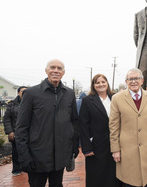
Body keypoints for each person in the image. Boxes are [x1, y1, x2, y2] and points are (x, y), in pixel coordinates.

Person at [15, 59, 79, 187]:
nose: (56, 70)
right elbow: (22, 127)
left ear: (63, 72)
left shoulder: (69, 94)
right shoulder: (31, 93)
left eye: (59, 68)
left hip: (60, 156)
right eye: (52, 67)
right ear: (46, 70)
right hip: (37, 157)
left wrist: (73, 146)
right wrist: (24, 156)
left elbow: (74, 122)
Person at [109, 68, 147, 187]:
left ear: (142, 80)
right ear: (126, 81)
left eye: (136, 78)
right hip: (127, 150)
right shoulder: (117, 98)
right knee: (130, 181)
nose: (133, 81)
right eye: (130, 79)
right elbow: (113, 126)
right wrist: (115, 149)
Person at [79, 74, 122, 187]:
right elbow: (83, 125)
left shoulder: (116, 98)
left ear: (107, 83)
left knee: (114, 175)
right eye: (97, 82)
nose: (101, 84)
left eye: (103, 81)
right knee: (97, 176)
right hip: (96, 145)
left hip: (115, 144)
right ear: (93, 85)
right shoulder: (87, 100)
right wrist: (86, 147)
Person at [3, 86, 27, 176]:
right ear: (18, 93)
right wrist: (10, 132)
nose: (25, 93)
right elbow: (7, 119)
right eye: (23, 91)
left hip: (29, 132)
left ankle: (27, 167)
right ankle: (17, 169)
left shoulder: (31, 102)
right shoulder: (12, 104)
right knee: (16, 151)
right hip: (16, 132)